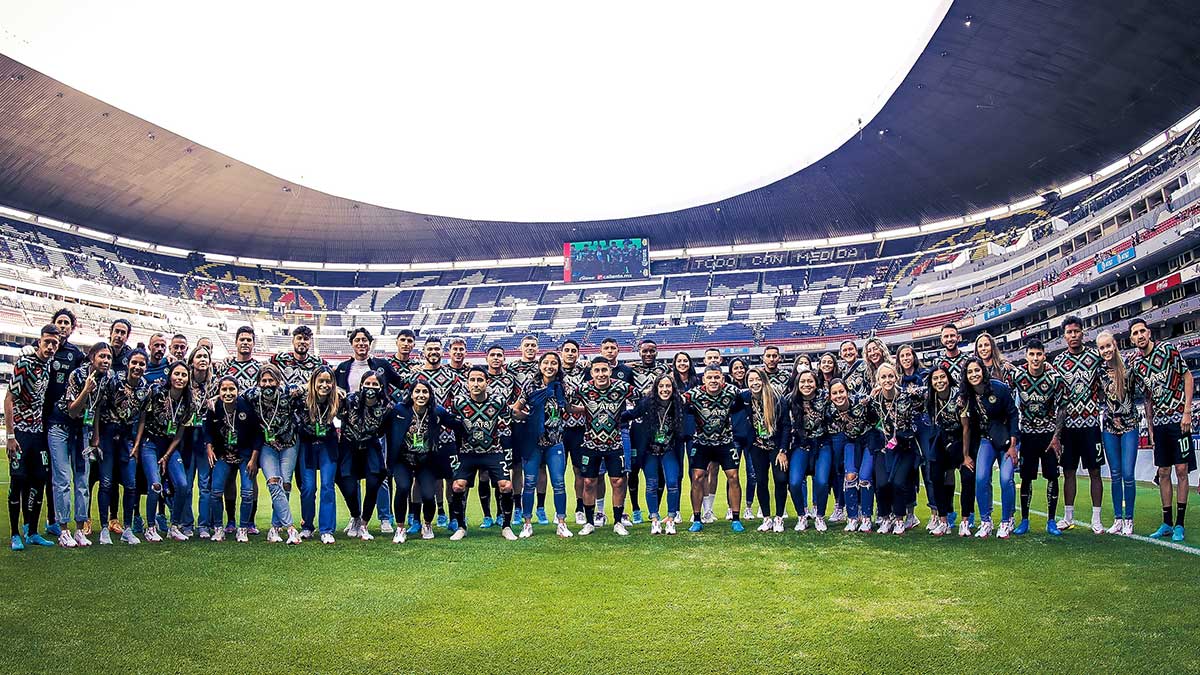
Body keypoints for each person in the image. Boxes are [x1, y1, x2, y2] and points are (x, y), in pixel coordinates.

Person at [1128, 318, 1194, 542]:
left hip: (1179, 420)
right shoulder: (1137, 365)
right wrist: (1150, 427)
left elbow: (1187, 376)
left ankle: (1180, 524)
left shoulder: (1168, 350)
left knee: (1182, 470)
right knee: (1163, 472)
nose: (1140, 336)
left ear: (1149, 333)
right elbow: (1147, 398)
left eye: (1142, 331)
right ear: (1131, 339)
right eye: (1135, 333)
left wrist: (1187, 411)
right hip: (1160, 424)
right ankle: (1166, 522)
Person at [332, 327, 398, 533]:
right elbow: (333, 393)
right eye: (357, 340)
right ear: (352, 344)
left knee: (379, 475)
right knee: (349, 477)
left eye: (364, 340)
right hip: (350, 431)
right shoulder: (343, 368)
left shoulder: (381, 365)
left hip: (375, 432)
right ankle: (356, 517)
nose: (361, 343)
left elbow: (402, 383)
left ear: (370, 344)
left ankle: (384, 517)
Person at [6, 325, 61, 550]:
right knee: (18, 480)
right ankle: (15, 534)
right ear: (39, 341)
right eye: (47, 341)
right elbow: (9, 399)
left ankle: (32, 531)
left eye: (54, 343)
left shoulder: (48, 366)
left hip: (38, 432)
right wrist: (10, 435)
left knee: (39, 479)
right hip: (20, 433)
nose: (50, 346)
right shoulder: (25, 363)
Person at [54, 342, 115, 546]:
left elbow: (96, 408)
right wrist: (86, 390)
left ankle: (80, 530)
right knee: (63, 479)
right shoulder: (78, 375)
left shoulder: (107, 379)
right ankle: (64, 530)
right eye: (102, 356)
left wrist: (95, 435)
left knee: (82, 480)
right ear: (92, 357)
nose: (106, 361)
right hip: (61, 427)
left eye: (109, 357)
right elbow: (72, 410)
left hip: (83, 430)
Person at [447, 366, 517, 541]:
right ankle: (461, 527)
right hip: (467, 452)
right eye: (472, 380)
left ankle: (506, 526)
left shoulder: (498, 401)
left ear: (487, 382)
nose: (476, 384)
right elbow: (449, 421)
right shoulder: (459, 403)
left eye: (480, 380)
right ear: (467, 383)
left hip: (493, 451)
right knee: (457, 486)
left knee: (506, 486)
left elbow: (511, 417)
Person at [570, 357, 637, 535]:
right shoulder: (583, 389)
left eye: (604, 370)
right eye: (597, 370)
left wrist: (628, 415)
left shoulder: (621, 387)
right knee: (589, 482)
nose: (601, 374)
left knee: (618, 481)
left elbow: (642, 399)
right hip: (590, 443)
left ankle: (618, 522)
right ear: (592, 373)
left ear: (610, 371)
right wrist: (580, 409)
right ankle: (589, 522)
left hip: (615, 443)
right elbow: (566, 402)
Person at [1052, 315, 1106, 534]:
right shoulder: (1058, 362)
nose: (1073, 335)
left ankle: (1096, 519)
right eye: (1069, 332)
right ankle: (1068, 517)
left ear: (1083, 333)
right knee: (1069, 472)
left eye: (1076, 331)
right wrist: (1056, 432)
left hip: (1091, 425)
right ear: (1064, 336)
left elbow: (1104, 386)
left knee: (1095, 472)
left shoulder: (1095, 357)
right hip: (1068, 427)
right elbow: (1056, 398)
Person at [1009, 339, 1067, 536]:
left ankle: (1051, 521)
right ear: (1026, 356)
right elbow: (1004, 393)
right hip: (1027, 434)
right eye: (1031, 354)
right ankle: (1024, 520)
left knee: (1052, 476)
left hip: (1048, 436)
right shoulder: (1017, 375)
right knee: (1026, 477)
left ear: (1044, 355)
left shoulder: (1054, 378)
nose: (1035, 358)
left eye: (1039, 354)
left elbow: (1062, 408)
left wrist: (1056, 436)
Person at [388, 380, 456, 542]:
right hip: (403, 459)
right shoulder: (399, 410)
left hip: (426, 460)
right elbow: (383, 426)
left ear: (430, 395)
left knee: (428, 494)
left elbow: (456, 424)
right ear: (411, 394)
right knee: (403, 487)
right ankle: (400, 528)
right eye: (417, 391)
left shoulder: (437, 412)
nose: (421, 395)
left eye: (425, 392)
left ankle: (427, 524)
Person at [132, 361, 193, 542]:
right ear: (170, 376)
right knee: (155, 485)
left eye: (184, 375)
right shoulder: (156, 392)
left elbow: (179, 434)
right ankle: (151, 527)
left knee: (182, 484)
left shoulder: (189, 402)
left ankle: (174, 526)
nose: (180, 378)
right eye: (177, 374)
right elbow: (143, 418)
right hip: (150, 443)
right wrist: (137, 444)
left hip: (170, 447)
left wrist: (167, 456)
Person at [682, 366, 749, 532]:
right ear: (703, 379)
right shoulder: (694, 394)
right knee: (697, 477)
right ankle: (697, 518)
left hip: (724, 442)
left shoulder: (731, 391)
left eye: (717, 377)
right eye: (710, 377)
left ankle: (736, 518)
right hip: (702, 442)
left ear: (722, 379)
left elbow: (745, 400)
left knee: (733, 477)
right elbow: (677, 401)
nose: (713, 381)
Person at [960, 357, 1020, 539]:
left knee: (1006, 478)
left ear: (983, 371)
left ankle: (1007, 520)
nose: (974, 374)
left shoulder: (998, 388)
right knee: (981, 478)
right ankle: (986, 521)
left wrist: (1013, 445)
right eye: (970, 372)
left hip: (1007, 439)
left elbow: (1013, 415)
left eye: (977, 370)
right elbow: (966, 426)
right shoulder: (966, 395)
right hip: (986, 440)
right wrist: (965, 455)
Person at [96, 348, 150, 545]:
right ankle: (104, 528)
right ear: (128, 363)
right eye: (134, 362)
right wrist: (96, 436)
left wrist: (137, 444)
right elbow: (98, 407)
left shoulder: (145, 388)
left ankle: (127, 528)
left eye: (142, 364)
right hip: (108, 436)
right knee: (106, 483)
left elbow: (142, 418)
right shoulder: (113, 381)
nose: (137, 367)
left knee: (130, 484)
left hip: (127, 439)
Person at [623, 374, 689, 534]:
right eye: (661, 386)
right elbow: (631, 414)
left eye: (668, 386)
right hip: (649, 451)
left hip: (670, 449)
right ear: (656, 388)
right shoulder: (647, 403)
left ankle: (671, 519)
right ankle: (654, 520)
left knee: (672, 483)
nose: (665, 390)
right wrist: (613, 417)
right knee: (651, 484)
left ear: (673, 388)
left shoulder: (678, 403)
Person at [514, 352, 571, 538]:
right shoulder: (530, 385)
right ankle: (527, 523)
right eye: (546, 362)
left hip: (555, 441)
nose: (549, 366)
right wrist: (530, 419)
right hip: (533, 442)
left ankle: (561, 523)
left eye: (554, 363)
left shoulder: (563, 386)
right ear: (540, 365)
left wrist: (588, 411)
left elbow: (568, 408)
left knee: (559, 483)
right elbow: (516, 409)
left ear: (558, 366)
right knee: (529, 483)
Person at [247, 363, 304, 544]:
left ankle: (274, 528)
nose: (267, 384)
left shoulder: (288, 393)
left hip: (289, 443)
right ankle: (290, 528)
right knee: (273, 482)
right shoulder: (252, 396)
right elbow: (232, 396)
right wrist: (214, 398)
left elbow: (309, 389)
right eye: (263, 380)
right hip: (267, 445)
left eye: (271, 380)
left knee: (285, 484)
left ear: (278, 381)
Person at [332, 370, 388, 542]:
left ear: (381, 387)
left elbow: (385, 429)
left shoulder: (386, 406)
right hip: (349, 448)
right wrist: (336, 392)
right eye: (367, 383)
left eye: (374, 384)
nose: (370, 387)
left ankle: (364, 524)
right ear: (362, 384)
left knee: (373, 483)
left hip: (371, 448)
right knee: (347, 484)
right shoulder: (349, 400)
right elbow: (334, 410)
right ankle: (355, 516)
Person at [43, 309, 84, 540]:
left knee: (70, 476)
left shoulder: (75, 354)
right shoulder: (44, 349)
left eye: (67, 323)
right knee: (52, 474)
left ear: (72, 327)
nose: (63, 326)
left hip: (70, 421)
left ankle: (63, 523)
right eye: (59, 322)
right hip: (46, 420)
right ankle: (50, 521)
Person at [870, 363, 925, 535]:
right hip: (884, 448)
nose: (887, 380)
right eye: (883, 377)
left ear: (896, 377)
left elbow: (927, 393)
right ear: (878, 380)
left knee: (898, 483)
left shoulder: (906, 396)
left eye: (890, 376)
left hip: (905, 448)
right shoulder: (875, 400)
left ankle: (900, 519)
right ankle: (886, 518)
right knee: (881, 484)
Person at [204, 376, 259, 543]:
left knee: (247, 492)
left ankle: (243, 529)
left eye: (231, 389)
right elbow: (207, 429)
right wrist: (209, 447)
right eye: (224, 389)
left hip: (244, 456)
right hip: (223, 455)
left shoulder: (246, 406)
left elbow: (257, 434)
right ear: (219, 392)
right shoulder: (214, 407)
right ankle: (219, 528)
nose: (228, 393)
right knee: (216, 491)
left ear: (237, 390)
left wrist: (253, 459)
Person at [1096, 331, 1140, 536]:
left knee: (1128, 474)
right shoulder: (1099, 371)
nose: (1106, 350)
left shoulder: (1130, 367)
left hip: (1130, 425)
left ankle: (1129, 519)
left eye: (1108, 346)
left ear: (1114, 345)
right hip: (1109, 427)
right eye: (1102, 348)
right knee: (1115, 475)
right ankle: (1117, 519)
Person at [778, 370, 832, 532]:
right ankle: (802, 515)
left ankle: (820, 516)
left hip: (822, 444)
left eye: (810, 381)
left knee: (822, 481)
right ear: (797, 383)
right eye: (802, 381)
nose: (806, 385)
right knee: (794, 482)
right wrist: (783, 449)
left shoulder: (825, 397)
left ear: (816, 383)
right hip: (800, 445)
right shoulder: (790, 399)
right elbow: (784, 425)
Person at [294, 365, 338, 544]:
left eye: (328, 381)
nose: (324, 385)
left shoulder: (338, 400)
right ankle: (307, 526)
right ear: (313, 382)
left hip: (328, 446)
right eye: (321, 381)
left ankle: (326, 530)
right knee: (308, 487)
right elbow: (286, 392)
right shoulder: (301, 400)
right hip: (307, 446)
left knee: (327, 486)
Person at [627, 339, 667, 525]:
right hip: (637, 426)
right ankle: (636, 509)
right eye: (645, 351)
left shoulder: (663, 370)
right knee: (634, 469)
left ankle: (655, 509)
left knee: (659, 471)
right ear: (639, 352)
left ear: (657, 352)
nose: (648, 354)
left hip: (659, 426)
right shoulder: (631, 371)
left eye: (652, 351)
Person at [181, 346, 218, 538]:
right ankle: (186, 523)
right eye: (199, 356)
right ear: (192, 361)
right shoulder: (185, 382)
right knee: (186, 484)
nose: (202, 359)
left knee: (205, 485)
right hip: (186, 438)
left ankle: (203, 525)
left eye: (206, 356)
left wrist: (217, 399)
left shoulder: (215, 384)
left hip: (206, 439)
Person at [743, 369, 786, 532]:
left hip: (776, 446)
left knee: (780, 479)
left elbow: (786, 425)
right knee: (760, 481)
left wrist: (783, 450)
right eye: (751, 380)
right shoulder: (746, 398)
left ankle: (779, 517)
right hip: (757, 446)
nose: (754, 383)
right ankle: (766, 518)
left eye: (758, 379)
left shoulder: (777, 398)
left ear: (764, 380)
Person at [924, 366, 965, 536]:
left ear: (948, 378)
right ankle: (943, 520)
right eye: (935, 378)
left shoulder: (959, 395)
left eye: (942, 377)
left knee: (964, 476)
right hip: (940, 439)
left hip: (960, 439)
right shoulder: (929, 397)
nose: (939, 381)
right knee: (935, 476)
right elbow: (908, 392)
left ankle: (966, 518)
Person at [559, 339, 590, 526]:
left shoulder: (585, 371)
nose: (570, 353)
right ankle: (559, 511)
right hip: (559, 429)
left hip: (580, 429)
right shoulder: (555, 370)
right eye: (567, 350)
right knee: (558, 471)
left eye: (573, 351)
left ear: (578, 353)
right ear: (561, 352)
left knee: (579, 470)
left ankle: (580, 508)